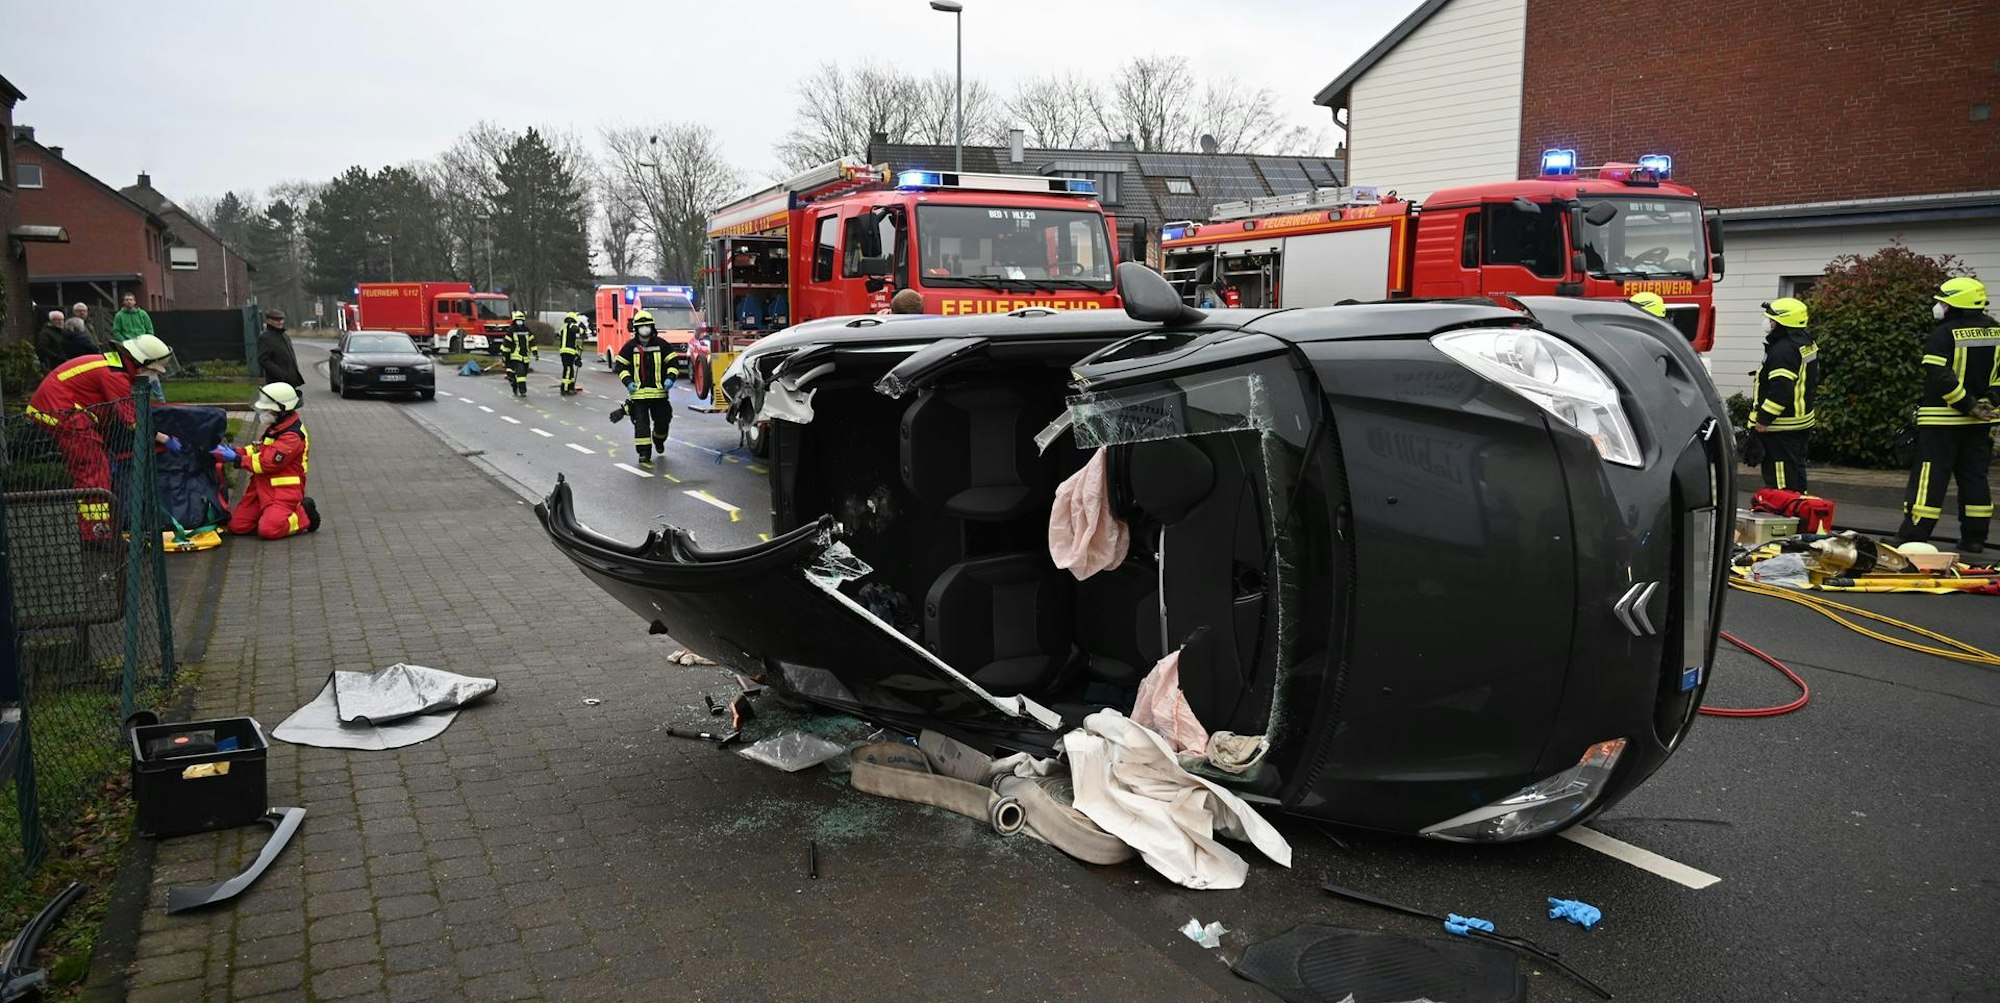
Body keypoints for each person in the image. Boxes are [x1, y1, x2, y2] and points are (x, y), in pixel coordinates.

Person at [25, 334, 182, 541]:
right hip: (61, 411)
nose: (154, 376)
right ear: (140, 362)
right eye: (153, 370)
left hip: (62, 409)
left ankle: (97, 529)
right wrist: (163, 438)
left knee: (96, 468)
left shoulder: (113, 367)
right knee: (94, 470)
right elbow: (132, 420)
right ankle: (95, 533)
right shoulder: (115, 376)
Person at [1897, 277, 1997, 553]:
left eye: (1943, 302)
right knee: (1975, 478)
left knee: (1929, 478)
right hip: (1982, 422)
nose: (1939, 307)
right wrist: (1987, 402)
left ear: (1955, 304)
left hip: (1942, 420)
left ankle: (1914, 535)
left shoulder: (1944, 333)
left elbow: (1939, 375)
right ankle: (1975, 538)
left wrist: (1966, 404)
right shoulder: (1996, 331)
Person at [214, 382, 318, 539]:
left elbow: (267, 463)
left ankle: (304, 515)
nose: (262, 413)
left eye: (266, 410)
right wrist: (234, 452)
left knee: (269, 530)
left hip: (283, 491)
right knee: (237, 526)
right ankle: (270, 516)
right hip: (261, 487)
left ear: (282, 411)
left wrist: (237, 459)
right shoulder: (277, 428)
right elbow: (259, 450)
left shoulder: (292, 436)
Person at [1749, 297, 1821, 493]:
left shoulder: (1783, 350)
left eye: (1771, 319)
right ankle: (1798, 506)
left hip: (1782, 425)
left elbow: (1781, 390)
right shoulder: (1804, 342)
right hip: (1799, 420)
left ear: (1782, 322)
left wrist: (1764, 418)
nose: (1768, 323)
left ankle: (1785, 509)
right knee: (1794, 472)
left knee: (1781, 480)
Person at [613, 310, 687, 468]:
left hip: (659, 394)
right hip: (638, 395)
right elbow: (620, 366)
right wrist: (628, 382)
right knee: (641, 425)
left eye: (647, 326)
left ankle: (659, 440)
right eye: (641, 326)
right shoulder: (630, 347)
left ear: (652, 327)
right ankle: (644, 453)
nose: (645, 329)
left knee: (663, 421)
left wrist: (670, 378)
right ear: (636, 329)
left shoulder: (662, 345)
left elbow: (673, 364)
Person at [256, 309, 304, 391]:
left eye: (281, 319)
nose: (279, 322)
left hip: (291, 380)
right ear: (268, 321)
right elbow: (263, 360)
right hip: (277, 382)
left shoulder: (285, 336)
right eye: (276, 320)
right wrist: (280, 374)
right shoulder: (265, 337)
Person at [501, 312, 537, 398]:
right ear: (515, 320)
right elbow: (507, 343)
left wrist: (535, 352)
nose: (519, 322)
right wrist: (505, 354)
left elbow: (532, 341)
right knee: (520, 373)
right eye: (518, 320)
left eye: (521, 320)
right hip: (515, 355)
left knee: (523, 374)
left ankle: (515, 384)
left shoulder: (527, 330)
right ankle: (522, 391)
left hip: (525, 356)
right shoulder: (511, 330)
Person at [558, 312, 586, 395]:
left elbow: (571, 342)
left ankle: (571, 387)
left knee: (570, 369)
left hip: (564, 351)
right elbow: (577, 330)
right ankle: (565, 389)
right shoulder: (570, 326)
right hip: (568, 352)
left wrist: (577, 356)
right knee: (568, 370)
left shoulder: (563, 328)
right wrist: (582, 330)